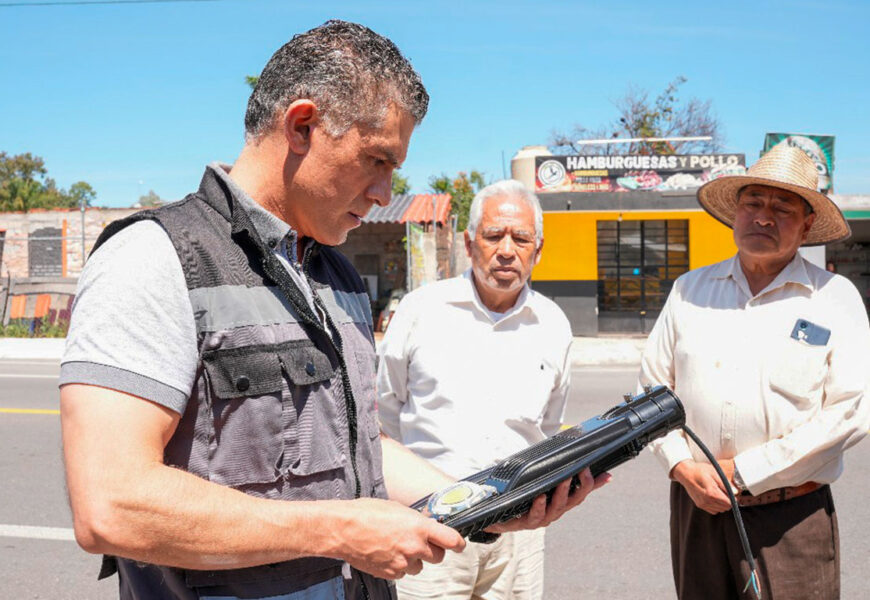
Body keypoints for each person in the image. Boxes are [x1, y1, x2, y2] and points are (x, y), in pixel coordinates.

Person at [59, 21, 598, 600]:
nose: (386, 192)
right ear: (302, 125)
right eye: (377, 161)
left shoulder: (335, 273)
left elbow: (362, 445)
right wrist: (342, 529)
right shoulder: (156, 257)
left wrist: (484, 505)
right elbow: (111, 504)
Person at [640, 144, 870, 599]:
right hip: (696, 509)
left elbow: (850, 411)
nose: (763, 217)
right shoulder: (690, 289)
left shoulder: (834, 298)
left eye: (782, 208)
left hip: (789, 519)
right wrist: (682, 466)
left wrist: (742, 472)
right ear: (735, 215)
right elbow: (650, 392)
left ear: (807, 226)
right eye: (753, 203)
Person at [378, 179, 609, 600]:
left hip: (519, 536)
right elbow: (385, 415)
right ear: (469, 244)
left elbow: (549, 426)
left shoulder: (553, 324)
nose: (506, 250)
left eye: (521, 238)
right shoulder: (421, 311)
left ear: (538, 250)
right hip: (431, 526)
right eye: (493, 235)